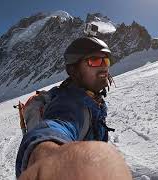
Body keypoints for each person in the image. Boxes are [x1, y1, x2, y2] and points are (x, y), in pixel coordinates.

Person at [15, 37, 132, 180]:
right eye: (94, 60)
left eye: (106, 61)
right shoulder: (70, 103)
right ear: (74, 70)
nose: (103, 67)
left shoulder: (92, 99)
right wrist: (48, 157)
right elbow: (56, 125)